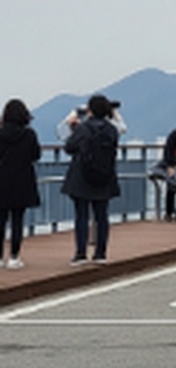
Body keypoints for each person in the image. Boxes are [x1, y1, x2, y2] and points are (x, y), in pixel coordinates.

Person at [61, 94, 120, 265]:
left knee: (82, 216)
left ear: (90, 110)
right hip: (105, 177)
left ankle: (80, 254)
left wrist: (73, 127)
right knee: (102, 216)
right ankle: (100, 253)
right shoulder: (111, 130)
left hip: (82, 177)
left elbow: (69, 147)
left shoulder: (83, 128)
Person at [0, 99, 41, 269]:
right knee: (18, 220)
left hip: (1, 181)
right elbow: (35, 155)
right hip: (22, 181)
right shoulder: (29, 134)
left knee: (0, 220)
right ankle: (14, 257)